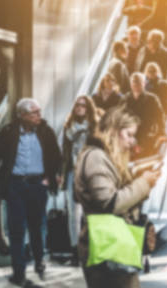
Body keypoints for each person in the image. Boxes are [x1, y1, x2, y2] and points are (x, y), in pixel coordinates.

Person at [75, 107, 161, 288]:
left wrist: (142, 182)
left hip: (112, 243)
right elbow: (110, 203)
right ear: (114, 131)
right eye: (128, 135)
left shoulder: (104, 157)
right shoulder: (96, 157)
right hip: (105, 246)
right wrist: (143, 184)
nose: (131, 142)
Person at [0, 98, 61, 286]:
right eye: (34, 113)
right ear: (22, 115)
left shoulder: (45, 131)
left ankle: (39, 260)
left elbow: (56, 156)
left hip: (37, 185)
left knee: (37, 226)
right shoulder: (8, 132)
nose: (39, 116)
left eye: (39, 112)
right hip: (15, 186)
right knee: (16, 230)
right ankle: (19, 272)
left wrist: (51, 177)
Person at [62, 95, 98, 265]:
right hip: (72, 172)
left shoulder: (94, 127)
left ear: (88, 107)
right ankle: (75, 250)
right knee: (73, 213)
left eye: (83, 105)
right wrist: (61, 173)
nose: (80, 108)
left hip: (90, 172)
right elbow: (65, 154)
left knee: (91, 212)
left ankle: (91, 249)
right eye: (77, 105)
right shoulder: (68, 127)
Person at [122, 72, 166, 158]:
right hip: (128, 137)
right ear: (130, 84)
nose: (136, 84)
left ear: (144, 83)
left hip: (145, 138)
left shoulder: (152, 99)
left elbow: (160, 117)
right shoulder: (125, 99)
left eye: (138, 82)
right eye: (134, 82)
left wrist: (161, 133)